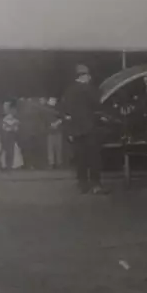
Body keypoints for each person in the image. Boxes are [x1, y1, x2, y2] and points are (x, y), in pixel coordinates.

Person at [58, 64, 108, 195]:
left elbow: (64, 111)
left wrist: (69, 130)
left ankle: (82, 185)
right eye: (88, 75)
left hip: (75, 130)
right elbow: (98, 102)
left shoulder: (68, 91)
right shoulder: (89, 89)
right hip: (89, 129)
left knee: (81, 159)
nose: (89, 78)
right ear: (84, 76)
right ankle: (96, 185)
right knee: (94, 158)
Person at [45, 97, 64, 169]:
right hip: (50, 131)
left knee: (58, 148)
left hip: (58, 131)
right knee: (51, 148)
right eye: (52, 100)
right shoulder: (46, 109)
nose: (54, 101)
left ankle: (59, 162)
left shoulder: (58, 109)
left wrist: (57, 123)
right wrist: (51, 124)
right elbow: (44, 119)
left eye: (55, 100)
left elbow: (62, 118)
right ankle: (51, 163)